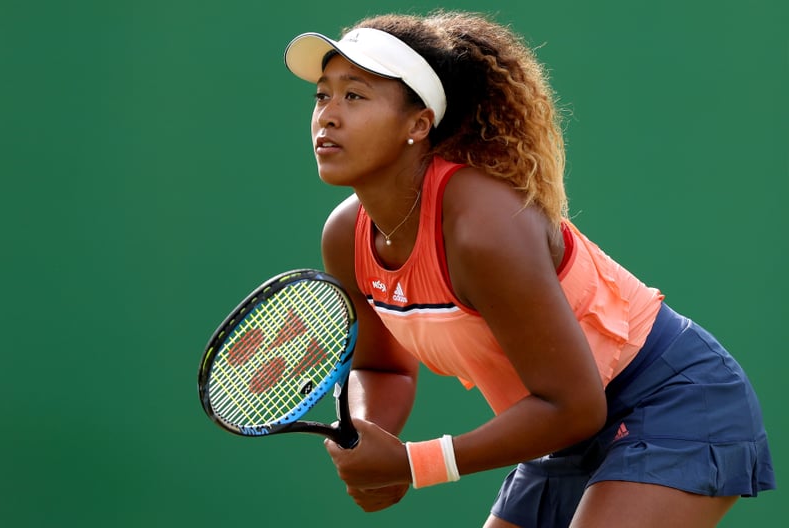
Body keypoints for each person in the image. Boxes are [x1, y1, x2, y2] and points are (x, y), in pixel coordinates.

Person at [283, 10, 775, 527]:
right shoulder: (346, 236)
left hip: (670, 400)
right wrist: (367, 438)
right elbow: (382, 368)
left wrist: (412, 465)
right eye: (322, 95)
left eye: (354, 95)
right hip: (561, 428)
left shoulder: (483, 225)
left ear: (419, 123)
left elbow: (576, 405)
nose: (327, 116)